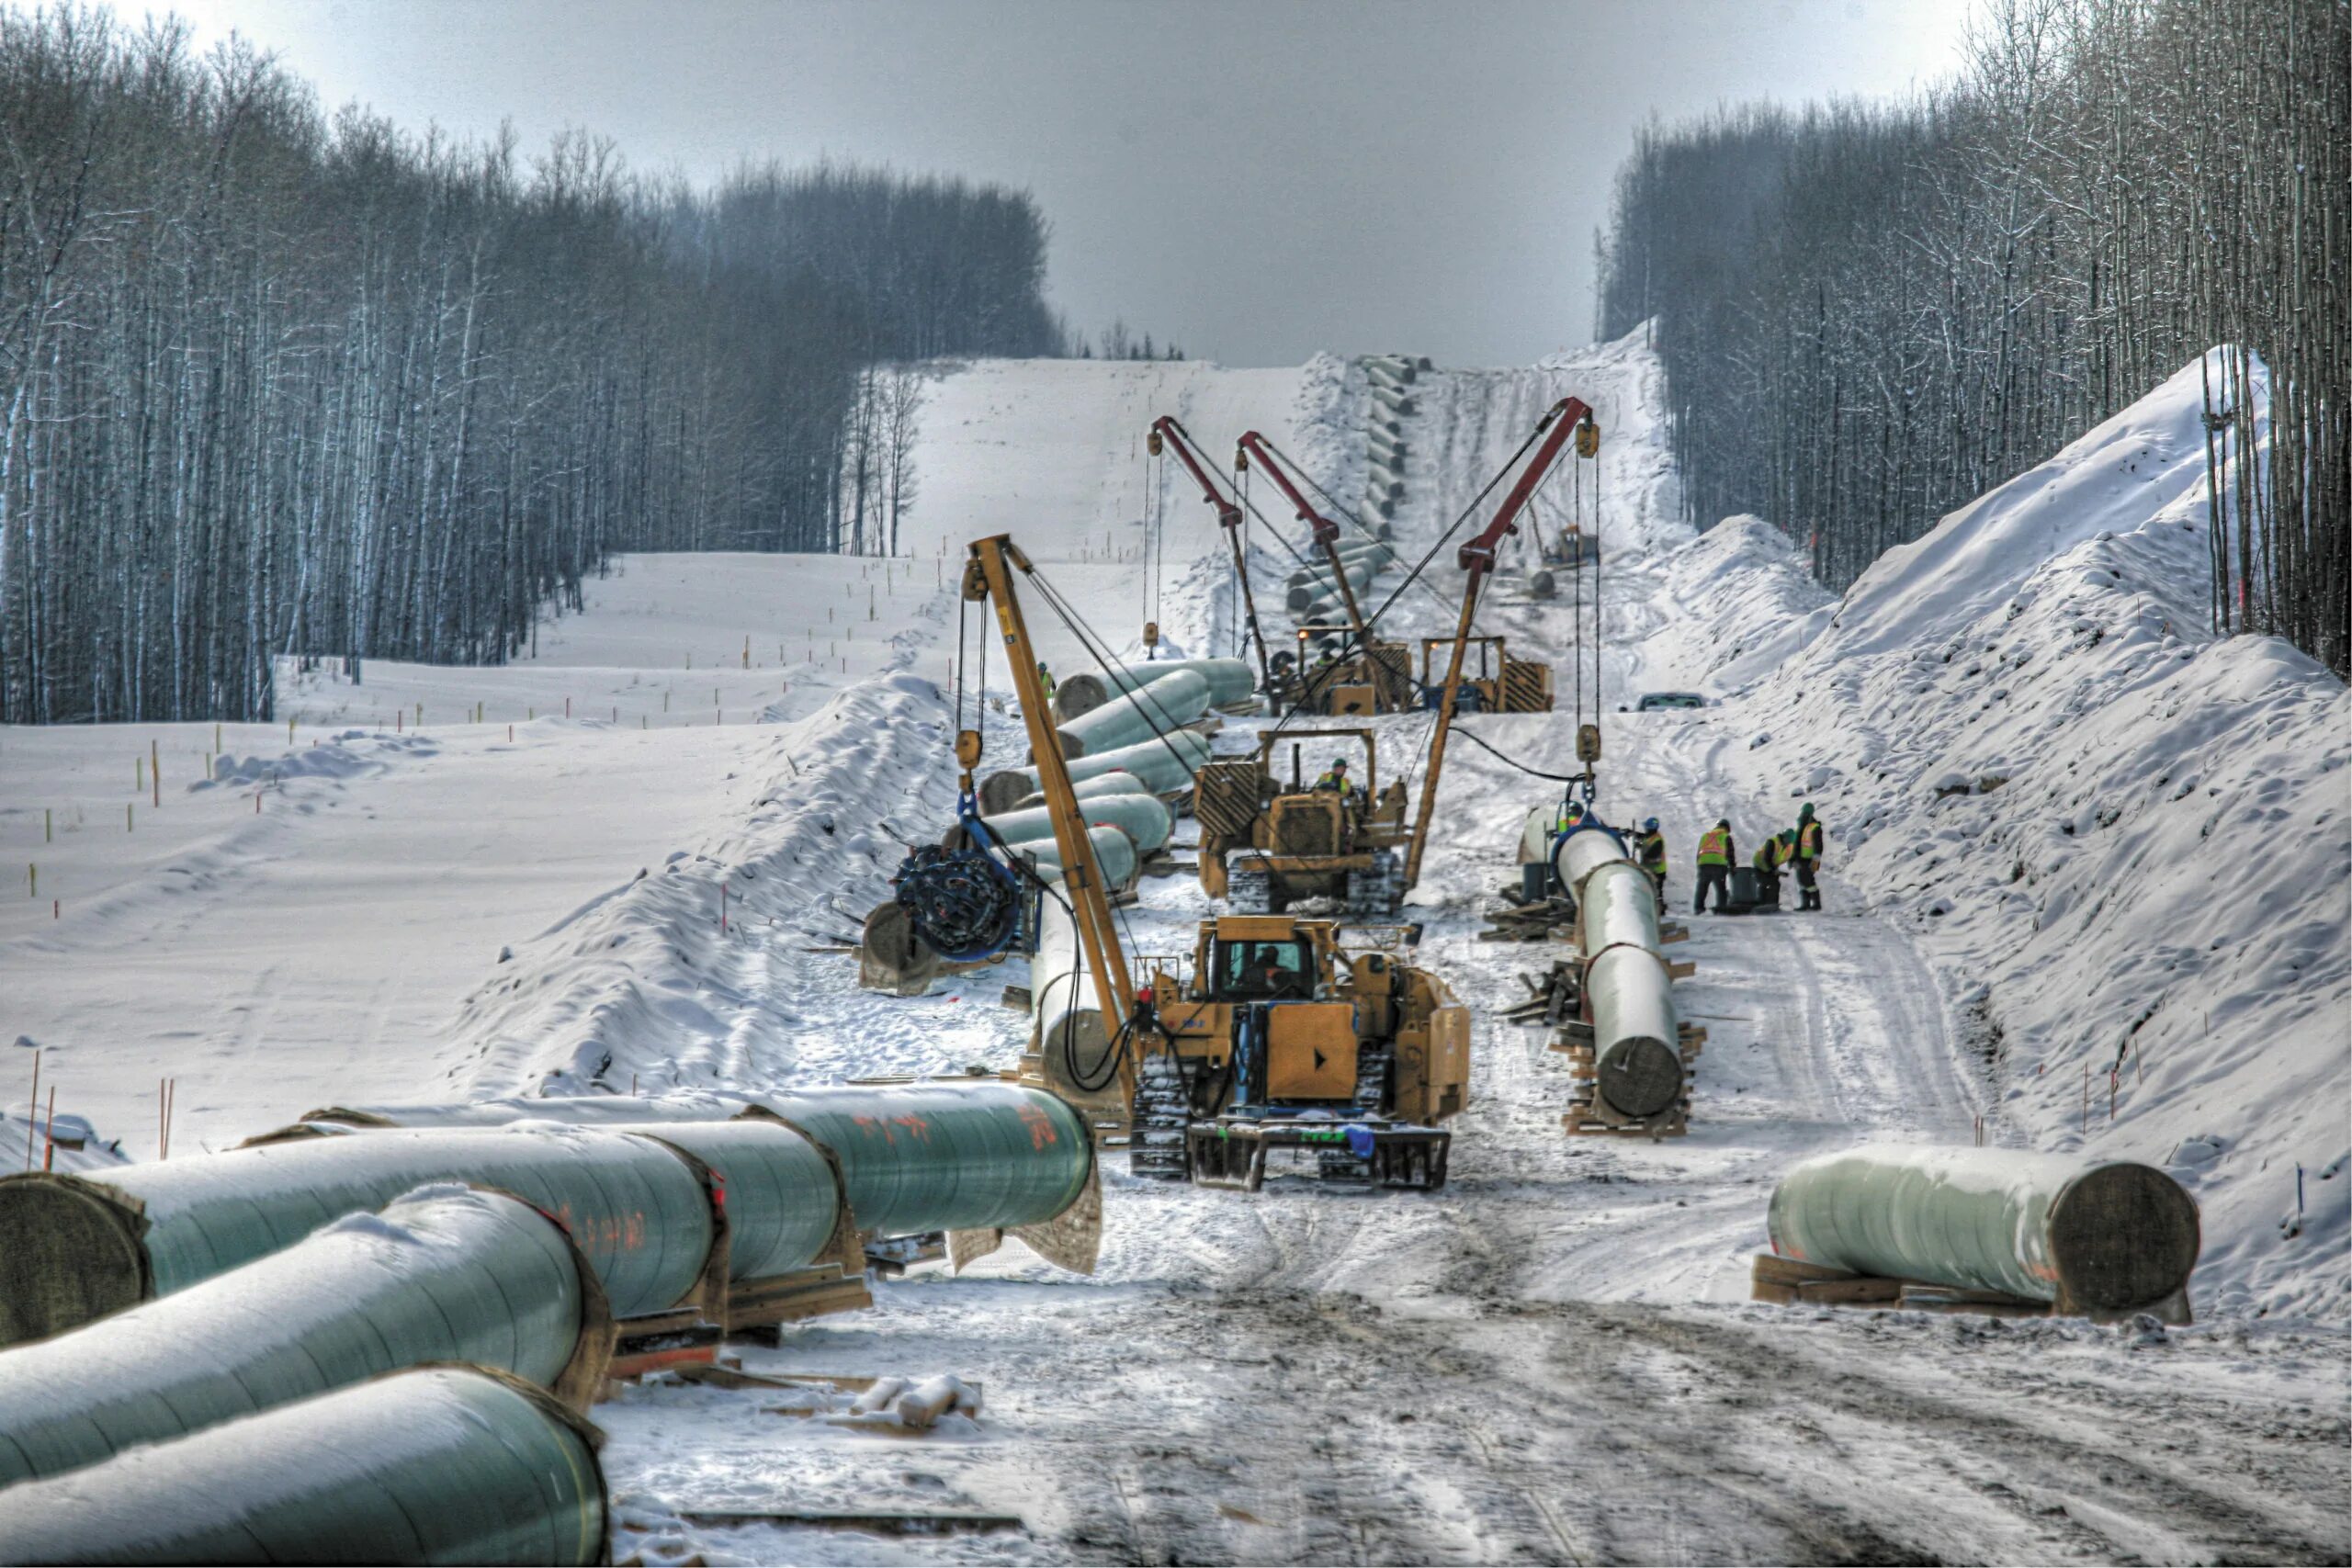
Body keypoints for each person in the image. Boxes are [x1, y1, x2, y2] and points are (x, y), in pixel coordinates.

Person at [1694, 818, 1735, 913]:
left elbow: (1699, 852)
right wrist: (1732, 866)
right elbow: (1730, 853)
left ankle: (1698, 908)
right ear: (1727, 828)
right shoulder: (1725, 836)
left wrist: (1699, 865)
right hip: (1718, 865)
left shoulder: (1705, 835)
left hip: (1703, 864)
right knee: (1721, 888)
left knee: (1702, 887)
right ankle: (1721, 909)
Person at [1793, 803, 1825, 910]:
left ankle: (1816, 904)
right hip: (1801, 858)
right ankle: (1805, 904)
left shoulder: (1814, 826)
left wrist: (1816, 859)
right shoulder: (1802, 825)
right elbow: (1796, 843)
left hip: (1809, 859)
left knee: (1808, 881)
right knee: (1801, 881)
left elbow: (1818, 845)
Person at [1634, 817, 1668, 903]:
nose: (1645, 829)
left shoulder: (1658, 841)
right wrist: (1633, 835)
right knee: (1650, 889)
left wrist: (1640, 847)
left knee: (1656, 891)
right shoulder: (1651, 836)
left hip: (1657, 870)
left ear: (1650, 829)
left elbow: (1651, 854)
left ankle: (1659, 907)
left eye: (1646, 827)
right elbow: (1645, 839)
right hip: (1651, 868)